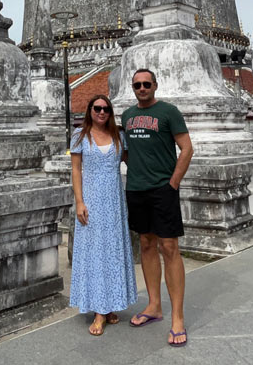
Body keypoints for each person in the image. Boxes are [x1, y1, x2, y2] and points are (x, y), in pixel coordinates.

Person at [121, 68, 193, 348]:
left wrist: (172, 183)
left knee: (170, 247)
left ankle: (177, 317)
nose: (142, 88)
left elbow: (186, 148)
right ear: (133, 87)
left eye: (146, 84)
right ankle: (154, 305)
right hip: (136, 188)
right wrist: (136, 170)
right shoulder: (127, 116)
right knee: (147, 244)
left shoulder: (168, 112)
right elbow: (126, 150)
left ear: (155, 86)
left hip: (163, 189)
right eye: (137, 85)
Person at [69, 94, 138, 336]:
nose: (101, 112)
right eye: (97, 108)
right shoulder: (80, 136)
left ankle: (110, 305)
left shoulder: (119, 137)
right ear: (89, 111)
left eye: (106, 109)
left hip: (115, 202)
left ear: (110, 112)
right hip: (91, 200)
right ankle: (99, 310)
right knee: (96, 253)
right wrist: (79, 201)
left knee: (113, 251)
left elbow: (134, 163)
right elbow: (76, 169)